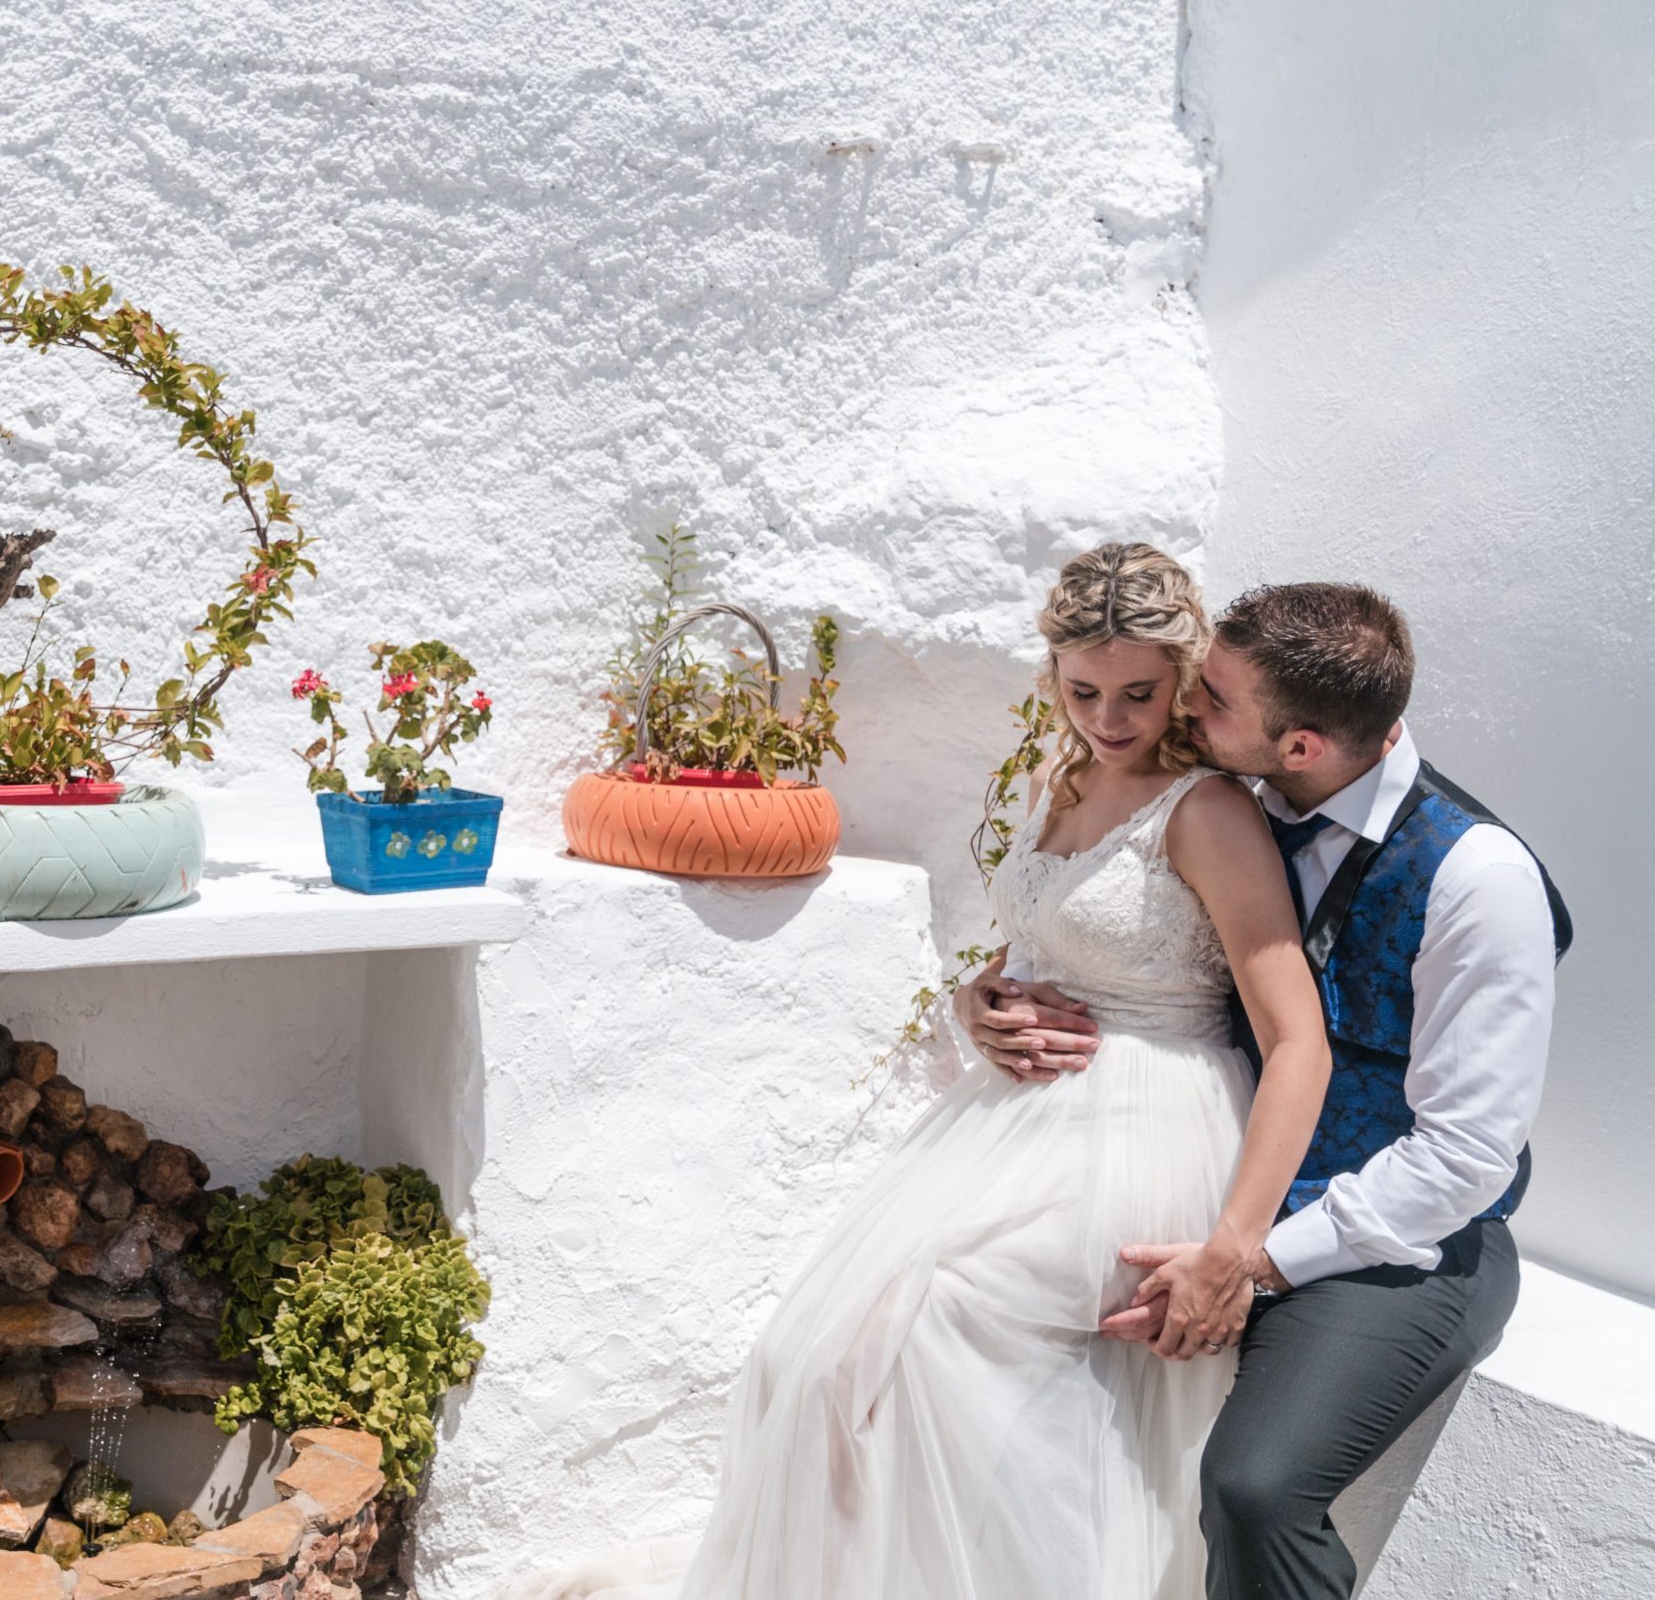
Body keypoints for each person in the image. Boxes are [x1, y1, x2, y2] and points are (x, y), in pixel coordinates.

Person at [507, 543, 1332, 1600]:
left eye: (1138, 691)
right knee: (815, 1354)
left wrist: (1236, 1246)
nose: (1109, 718)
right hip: (1019, 1120)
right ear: (1051, 676)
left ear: (1180, 676)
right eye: (1082, 690)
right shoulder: (1058, 776)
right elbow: (1029, 945)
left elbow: (1296, 1037)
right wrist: (978, 1001)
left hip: (1148, 1122)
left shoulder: (1206, 812)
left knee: (936, 1339)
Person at [969, 581, 1568, 1600]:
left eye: (1209, 700)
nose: (1182, 709)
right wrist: (994, 1003)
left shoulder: (1477, 878)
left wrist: (1254, 1261)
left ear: (1297, 748)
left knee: (1254, 1485)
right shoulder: (1226, 798)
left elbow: (1465, 1160)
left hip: (1397, 1243)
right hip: (1211, 1174)